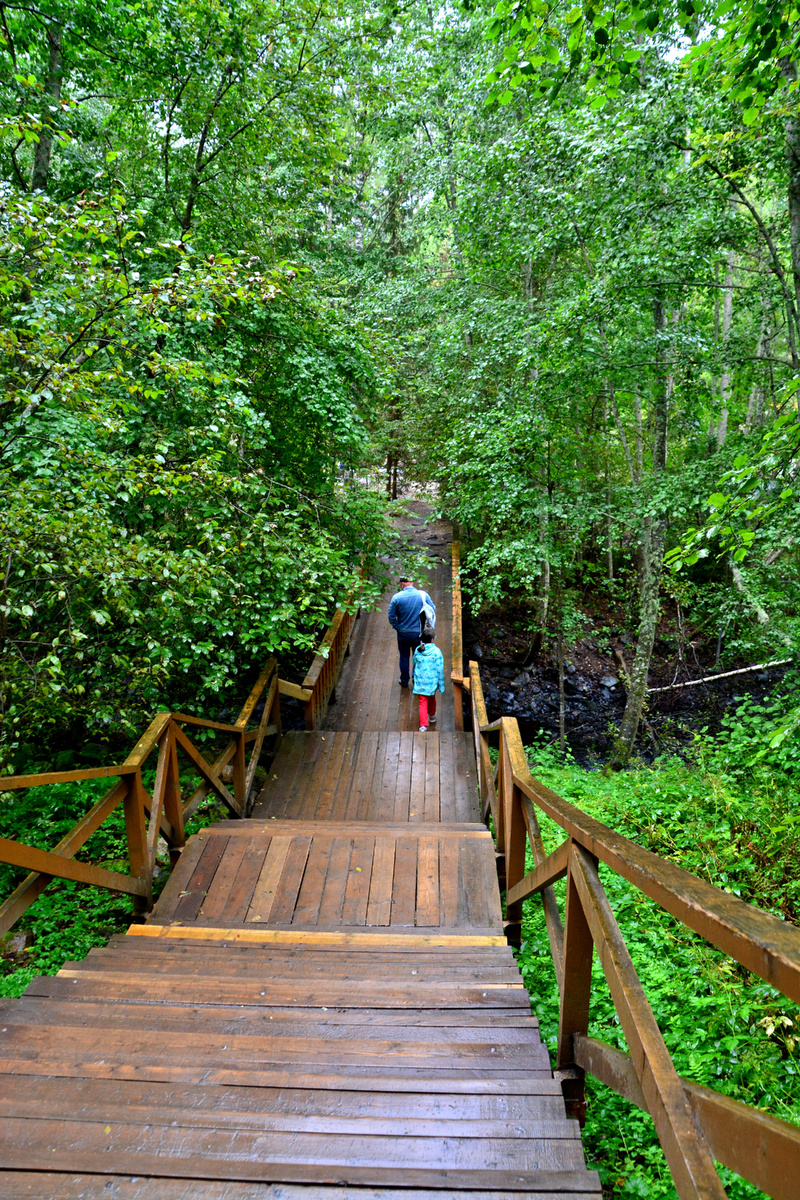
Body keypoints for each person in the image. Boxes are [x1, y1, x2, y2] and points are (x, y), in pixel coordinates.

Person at [387, 576, 436, 687]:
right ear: (412, 582)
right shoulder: (423, 595)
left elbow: (391, 616)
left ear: (402, 584)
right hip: (418, 633)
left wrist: (397, 626)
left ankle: (404, 680)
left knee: (404, 657)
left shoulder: (396, 597)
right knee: (417, 655)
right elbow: (432, 608)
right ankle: (416, 678)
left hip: (403, 633)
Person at [412, 631, 445, 731]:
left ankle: (423, 725)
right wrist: (441, 685)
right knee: (431, 698)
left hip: (420, 681)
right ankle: (432, 715)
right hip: (432, 682)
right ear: (432, 639)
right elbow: (440, 669)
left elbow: (414, 662)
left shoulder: (418, 650)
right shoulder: (436, 652)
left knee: (422, 702)